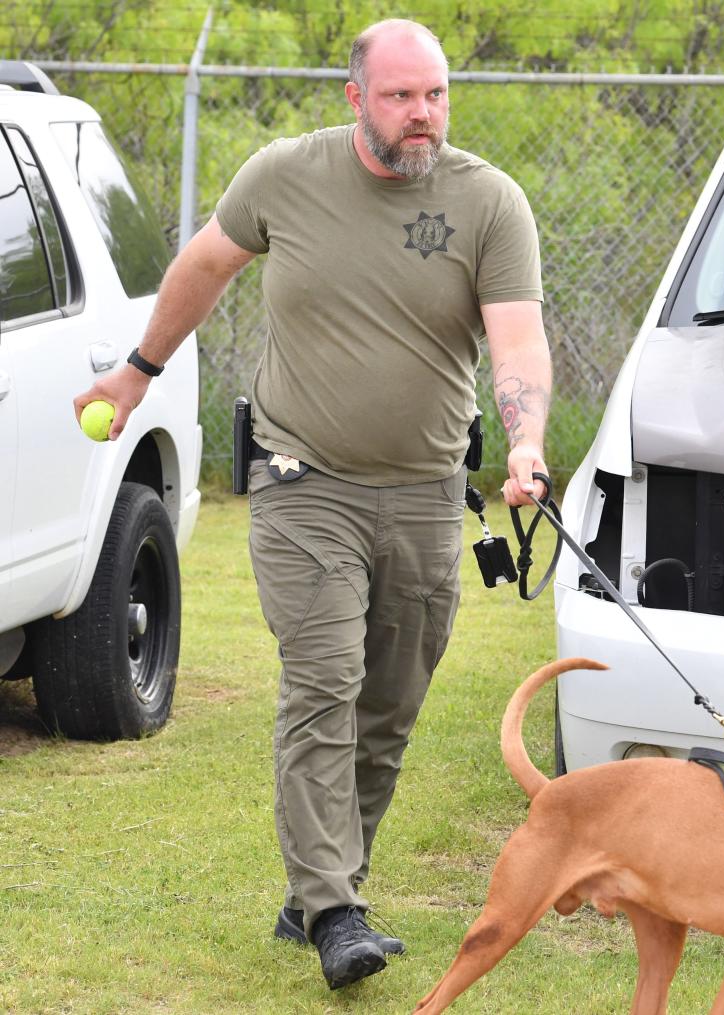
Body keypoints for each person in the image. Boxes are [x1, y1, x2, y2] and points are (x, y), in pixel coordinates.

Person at [74, 19, 552, 990]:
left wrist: (529, 440)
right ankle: (336, 910)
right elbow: (204, 266)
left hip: (423, 494)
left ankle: (323, 889)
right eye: (401, 96)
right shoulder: (283, 177)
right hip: (305, 482)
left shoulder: (488, 202)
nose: (422, 114)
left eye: (436, 95)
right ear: (355, 98)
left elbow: (517, 342)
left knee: (390, 700)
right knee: (324, 677)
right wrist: (135, 373)